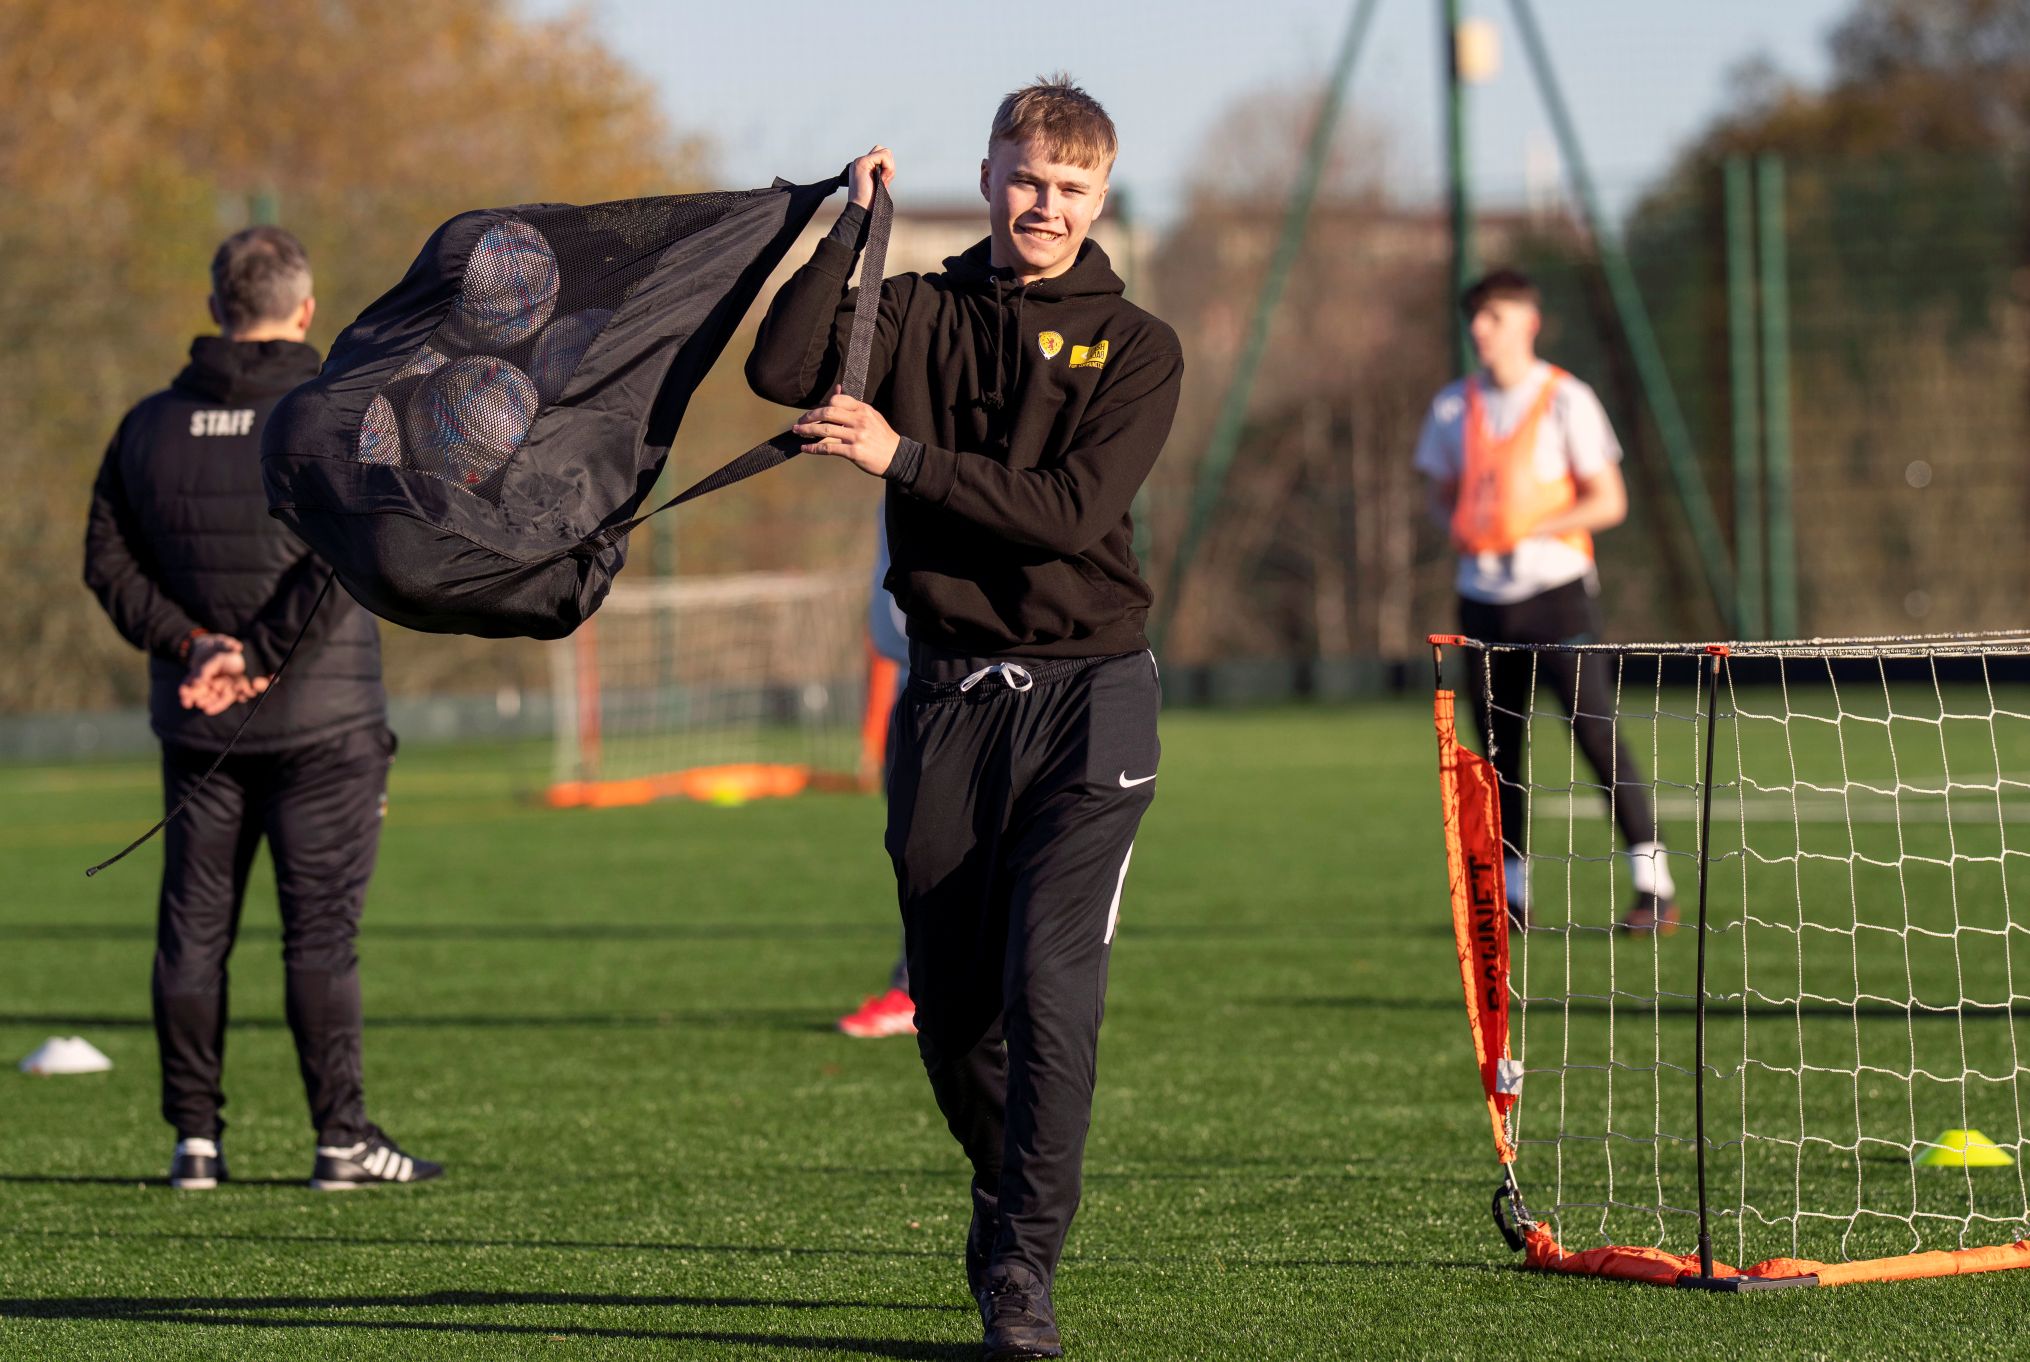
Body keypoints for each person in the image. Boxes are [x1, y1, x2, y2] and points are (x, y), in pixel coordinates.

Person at [747, 76, 1181, 1360]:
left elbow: (1063, 511)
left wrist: (904, 460)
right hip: (945, 703)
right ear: (989, 176)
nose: (1045, 206)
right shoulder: (919, 310)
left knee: (1049, 989)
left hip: (1091, 702)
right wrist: (847, 231)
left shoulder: (1138, 345)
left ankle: (1022, 1274)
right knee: (948, 1017)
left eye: (1071, 188)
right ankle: (1008, 1197)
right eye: (1026, 179)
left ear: (1098, 196)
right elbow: (781, 368)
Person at [83, 226, 442, 1191]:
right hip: (322, 720)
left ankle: (194, 1142)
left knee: (192, 934)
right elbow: (350, 549)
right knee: (320, 935)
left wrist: (194, 647)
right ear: (307, 309)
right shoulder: (340, 414)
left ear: (215, 308)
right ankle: (339, 1142)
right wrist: (265, 655)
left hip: (197, 718)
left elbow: (106, 563)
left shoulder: (145, 426)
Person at [1415, 268, 1677, 933]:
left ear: (1527, 323)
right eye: (1474, 316)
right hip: (1483, 601)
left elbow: (1607, 500)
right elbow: (1440, 495)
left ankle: (1653, 885)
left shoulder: (1567, 399)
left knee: (1595, 735)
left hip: (1558, 599)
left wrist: (1527, 524)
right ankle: (1511, 895)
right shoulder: (1454, 406)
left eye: (1494, 316)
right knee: (1500, 752)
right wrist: (1465, 526)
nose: (1480, 329)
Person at [835, 513, 917, 1039]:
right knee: (923, 856)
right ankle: (918, 987)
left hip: (980, 684)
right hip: (916, 687)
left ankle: (920, 988)